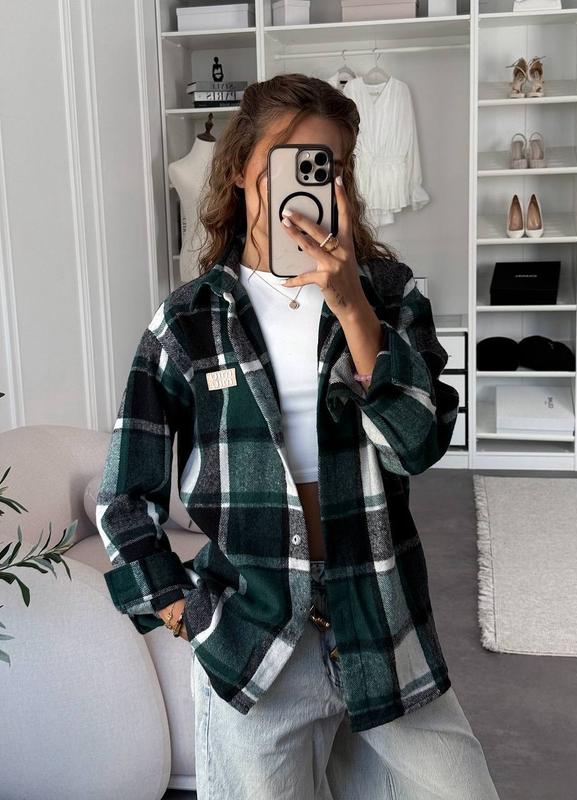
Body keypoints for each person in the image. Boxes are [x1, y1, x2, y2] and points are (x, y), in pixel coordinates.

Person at [97, 73, 500, 799]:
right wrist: (182, 611)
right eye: (292, 162)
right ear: (241, 169)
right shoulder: (188, 321)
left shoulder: (388, 294)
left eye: (333, 167)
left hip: (380, 620)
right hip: (254, 640)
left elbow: (418, 444)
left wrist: (352, 308)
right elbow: (125, 495)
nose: (315, 184)